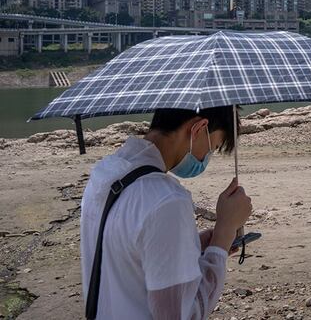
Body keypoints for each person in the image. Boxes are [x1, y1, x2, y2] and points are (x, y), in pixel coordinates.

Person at [80, 106, 253, 319]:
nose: (206, 157)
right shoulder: (167, 201)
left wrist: (192, 246)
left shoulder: (105, 173)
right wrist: (224, 234)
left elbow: (126, 257)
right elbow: (183, 313)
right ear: (199, 128)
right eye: (212, 148)